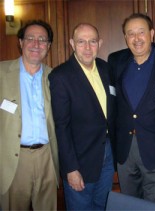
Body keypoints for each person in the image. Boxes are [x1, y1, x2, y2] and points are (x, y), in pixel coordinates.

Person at [107, 13, 155, 205]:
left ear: (152, 33)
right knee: (129, 205)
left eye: (141, 32)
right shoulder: (115, 61)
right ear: (125, 38)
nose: (136, 38)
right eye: (130, 34)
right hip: (125, 151)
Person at [49, 23, 115, 210]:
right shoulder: (60, 76)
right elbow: (61, 127)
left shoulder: (106, 69)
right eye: (81, 42)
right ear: (72, 43)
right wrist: (70, 169)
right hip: (79, 160)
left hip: (107, 154)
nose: (87, 47)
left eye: (92, 41)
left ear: (99, 43)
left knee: (103, 206)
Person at [0, 20, 59, 210]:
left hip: (47, 158)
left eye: (42, 40)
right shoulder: (1, 73)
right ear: (20, 42)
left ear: (48, 46)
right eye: (30, 38)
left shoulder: (55, 78)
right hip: (13, 160)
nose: (36, 44)